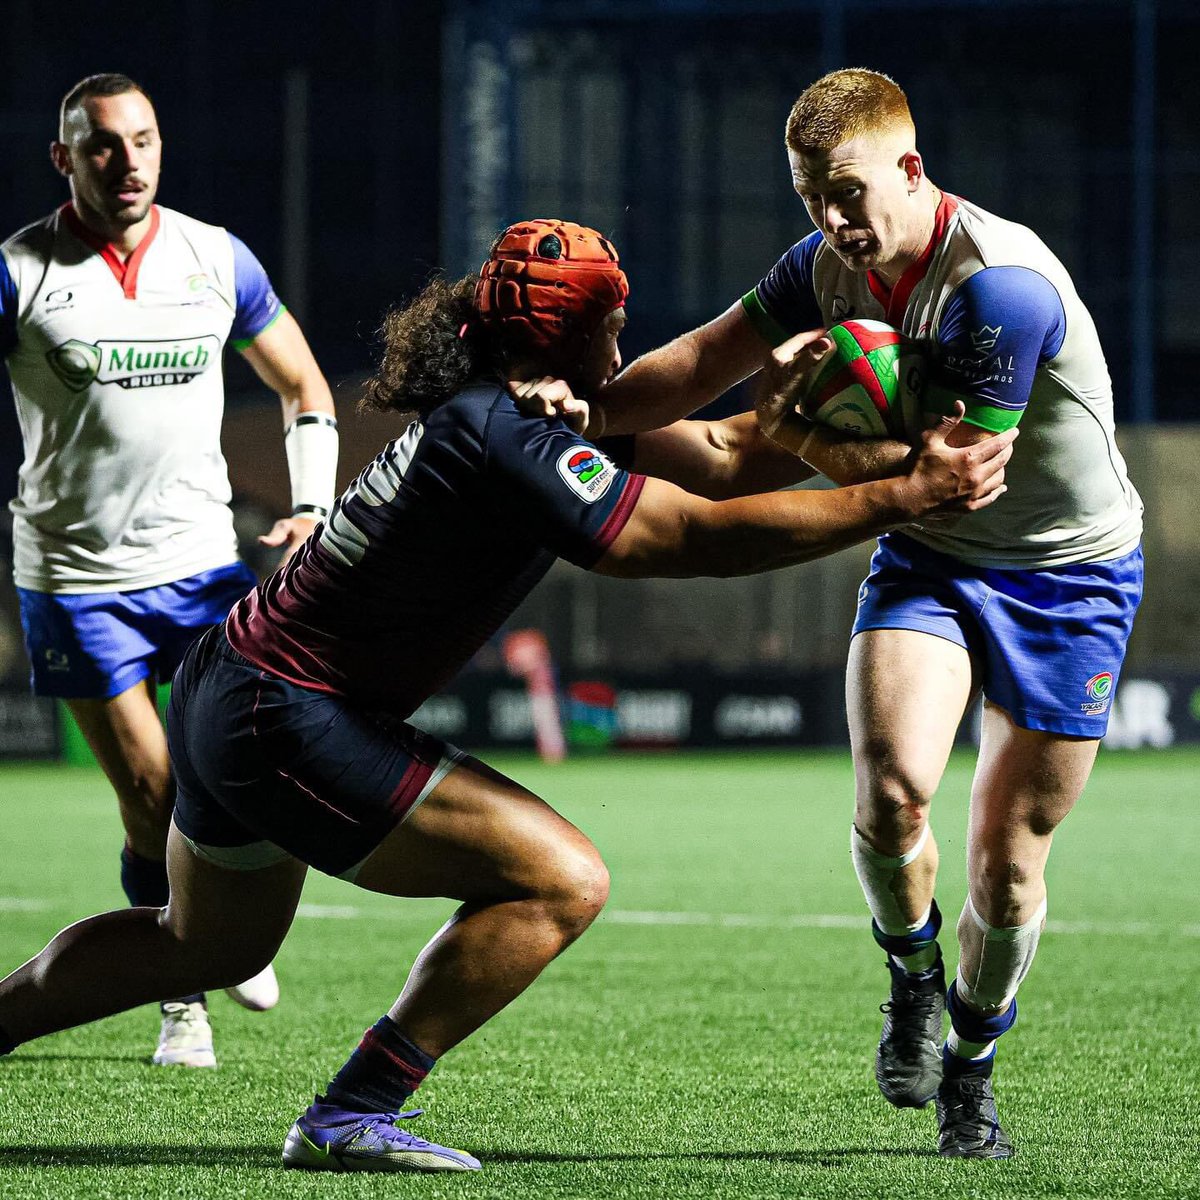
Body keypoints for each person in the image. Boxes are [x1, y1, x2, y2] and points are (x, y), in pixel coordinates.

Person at [0, 219, 1013, 1175]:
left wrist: (804, 423)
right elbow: (686, 540)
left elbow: (718, 459)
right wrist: (907, 498)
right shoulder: (510, 437)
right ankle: (354, 1111)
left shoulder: (526, 409)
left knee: (205, 943)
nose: (628, 332)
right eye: (612, 319)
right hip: (283, 715)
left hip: (233, 685)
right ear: (576, 335)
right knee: (562, 881)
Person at [518, 70, 1143, 1160]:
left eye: (848, 193)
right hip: (936, 560)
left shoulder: (1000, 289)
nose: (832, 222)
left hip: (1067, 572)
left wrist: (797, 431)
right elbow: (706, 361)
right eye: (811, 197)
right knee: (894, 794)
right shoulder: (825, 264)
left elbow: (947, 470)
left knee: (1007, 856)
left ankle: (971, 1062)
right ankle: (911, 973)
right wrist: (594, 407)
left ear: (912, 166)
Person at [0, 73, 340, 1068]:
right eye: (102, 145)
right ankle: (183, 990)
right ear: (65, 159)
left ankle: (225, 930)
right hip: (73, 578)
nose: (128, 160)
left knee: (239, 771)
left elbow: (304, 384)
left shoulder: (216, 258)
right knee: (151, 790)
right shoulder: (22, 272)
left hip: (202, 571)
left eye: (142, 139)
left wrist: (311, 505)